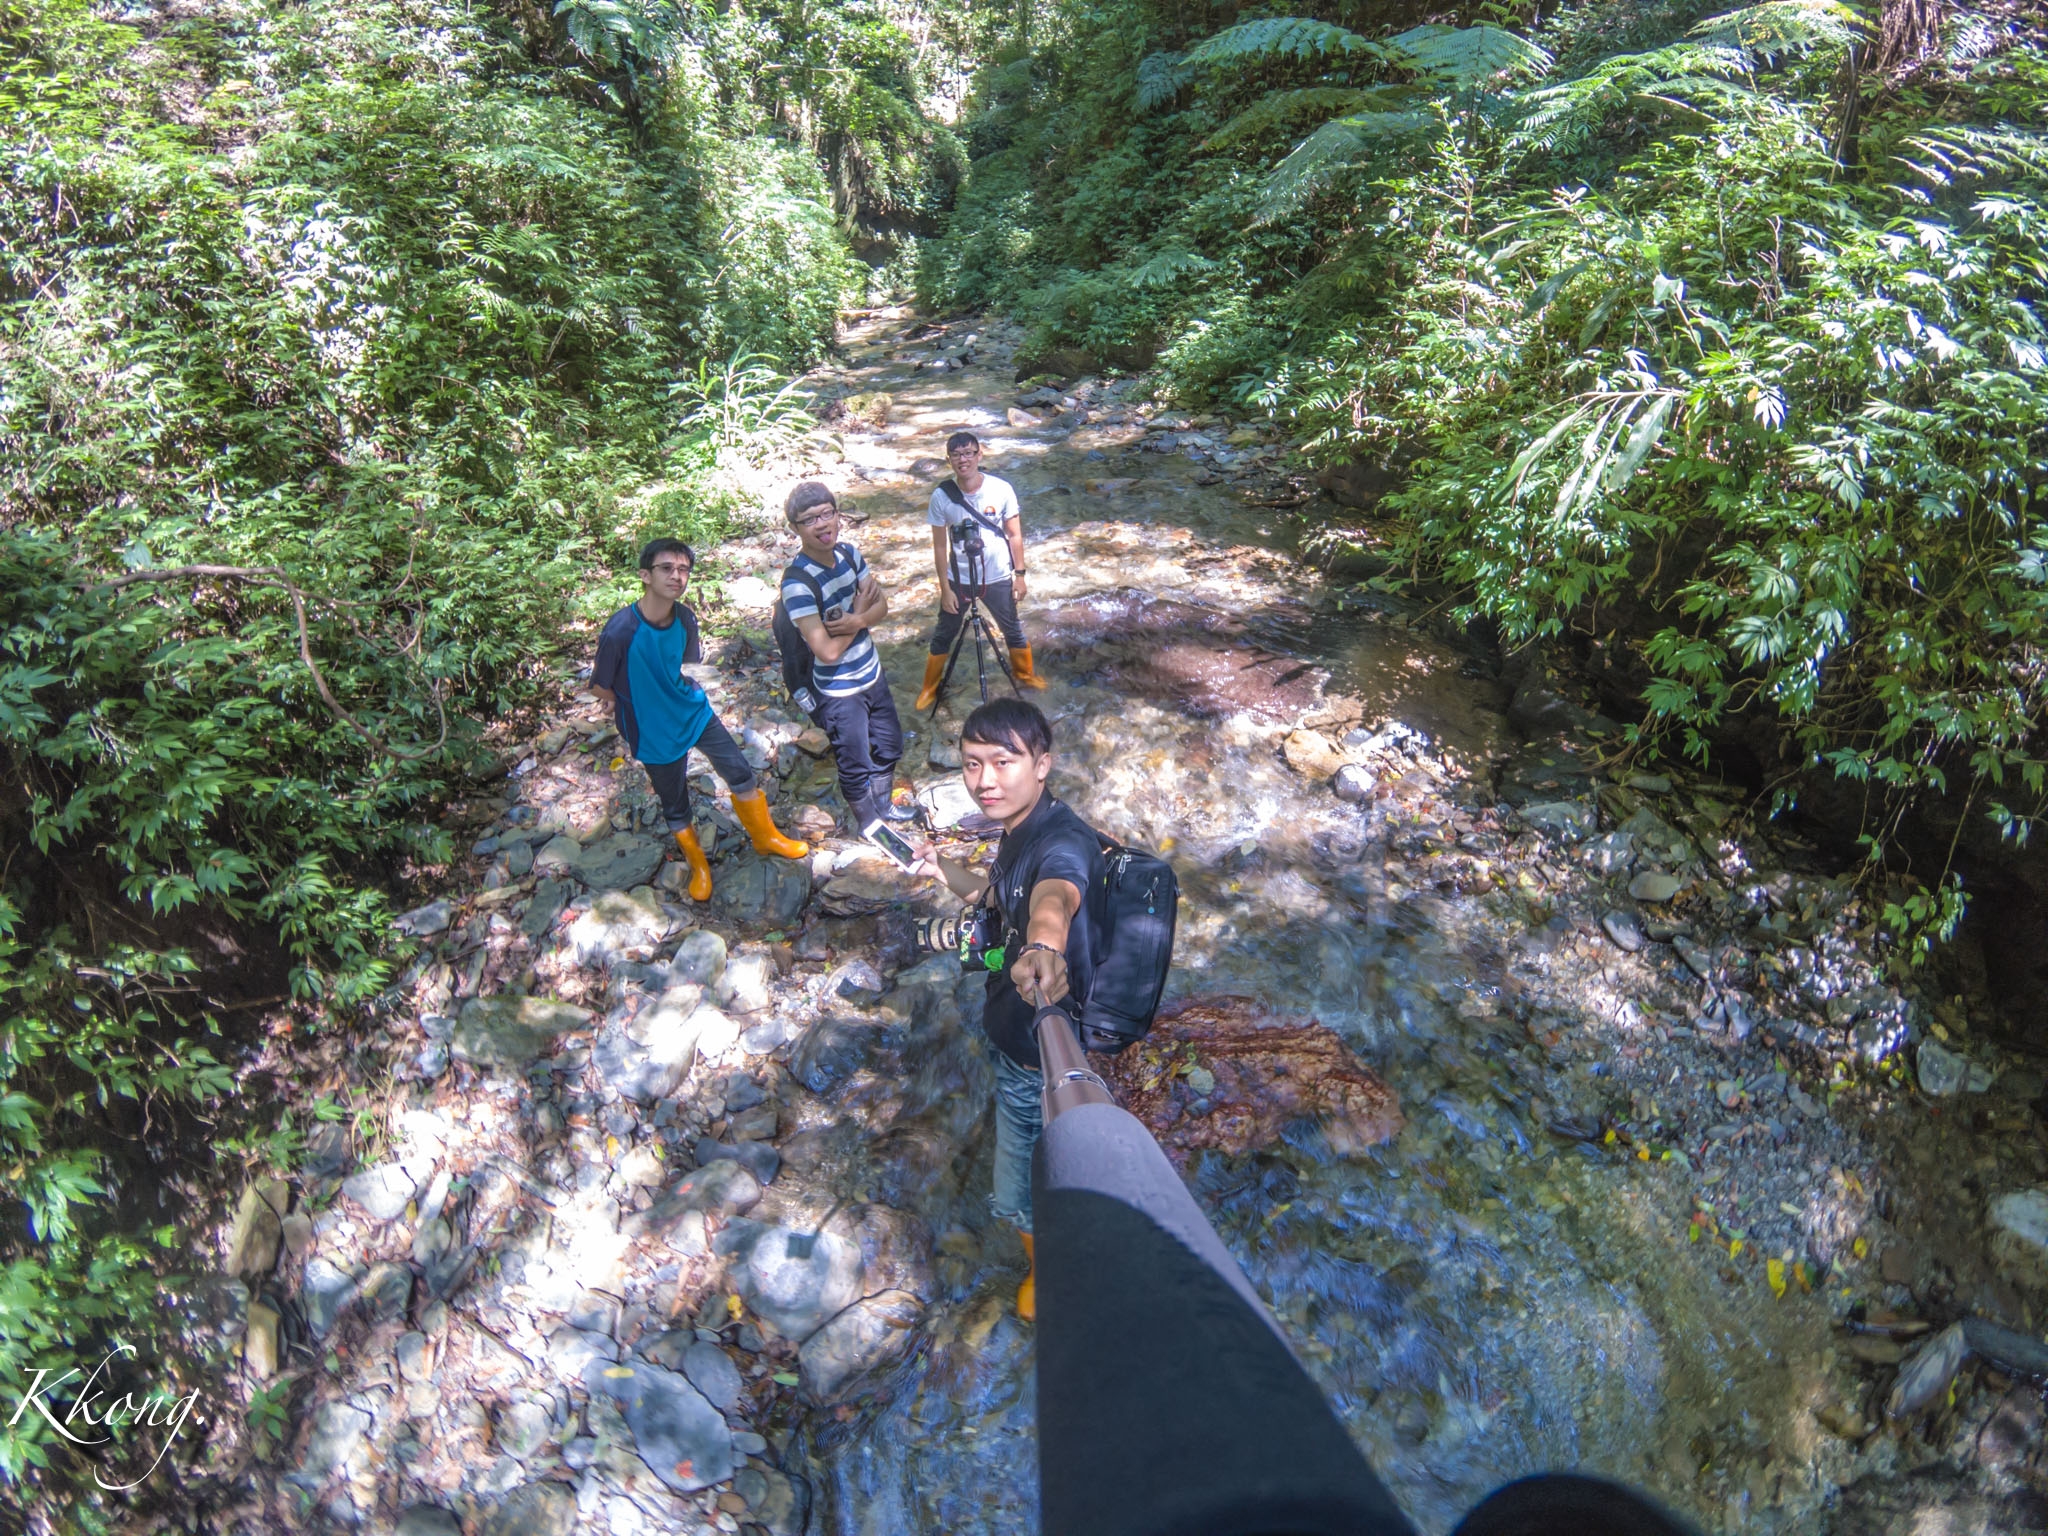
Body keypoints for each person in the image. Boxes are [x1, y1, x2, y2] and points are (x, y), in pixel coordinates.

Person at [926, 697, 1106, 1321]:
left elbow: (1053, 897)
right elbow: (1002, 897)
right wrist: (941, 868)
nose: (985, 780)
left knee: (1020, 1188)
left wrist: (1042, 947)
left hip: (1036, 1053)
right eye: (973, 764)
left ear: (1044, 764)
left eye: (1004, 762)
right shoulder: (1020, 830)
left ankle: (1046, 1271)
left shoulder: (1063, 842)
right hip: (1017, 1024)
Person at [591, 539, 809, 899]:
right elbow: (601, 687)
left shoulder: (685, 617)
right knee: (674, 801)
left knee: (739, 772)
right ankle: (699, 867)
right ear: (645, 575)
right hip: (651, 728)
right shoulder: (621, 630)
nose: (676, 576)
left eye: (683, 570)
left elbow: (681, 664)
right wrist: (625, 698)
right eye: (666, 568)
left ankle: (765, 837)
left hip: (692, 711)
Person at [779, 482, 915, 827]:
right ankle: (870, 826)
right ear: (795, 528)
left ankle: (883, 807)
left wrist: (856, 619)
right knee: (854, 763)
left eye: (827, 514)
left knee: (889, 745)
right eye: (810, 520)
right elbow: (826, 651)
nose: (822, 525)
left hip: (872, 673)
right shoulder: (797, 584)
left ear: (838, 515)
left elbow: (881, 605)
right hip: (838, 691)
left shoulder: (850, 555)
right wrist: (860, 613)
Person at [912, 432, 1048, 711]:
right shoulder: (942, 497)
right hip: (959, 579)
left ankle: (1025, 675)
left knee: (1012, 629)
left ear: (979, 455)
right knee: (943, 634)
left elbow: (1015, 536)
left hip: (997, 575)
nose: (963, 460)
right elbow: (939, 547)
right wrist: (945, 589)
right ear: (949, 460)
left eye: (969, 453)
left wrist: (1019, 575)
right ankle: (930, 687)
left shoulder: (1001, 489)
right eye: (957, 455)